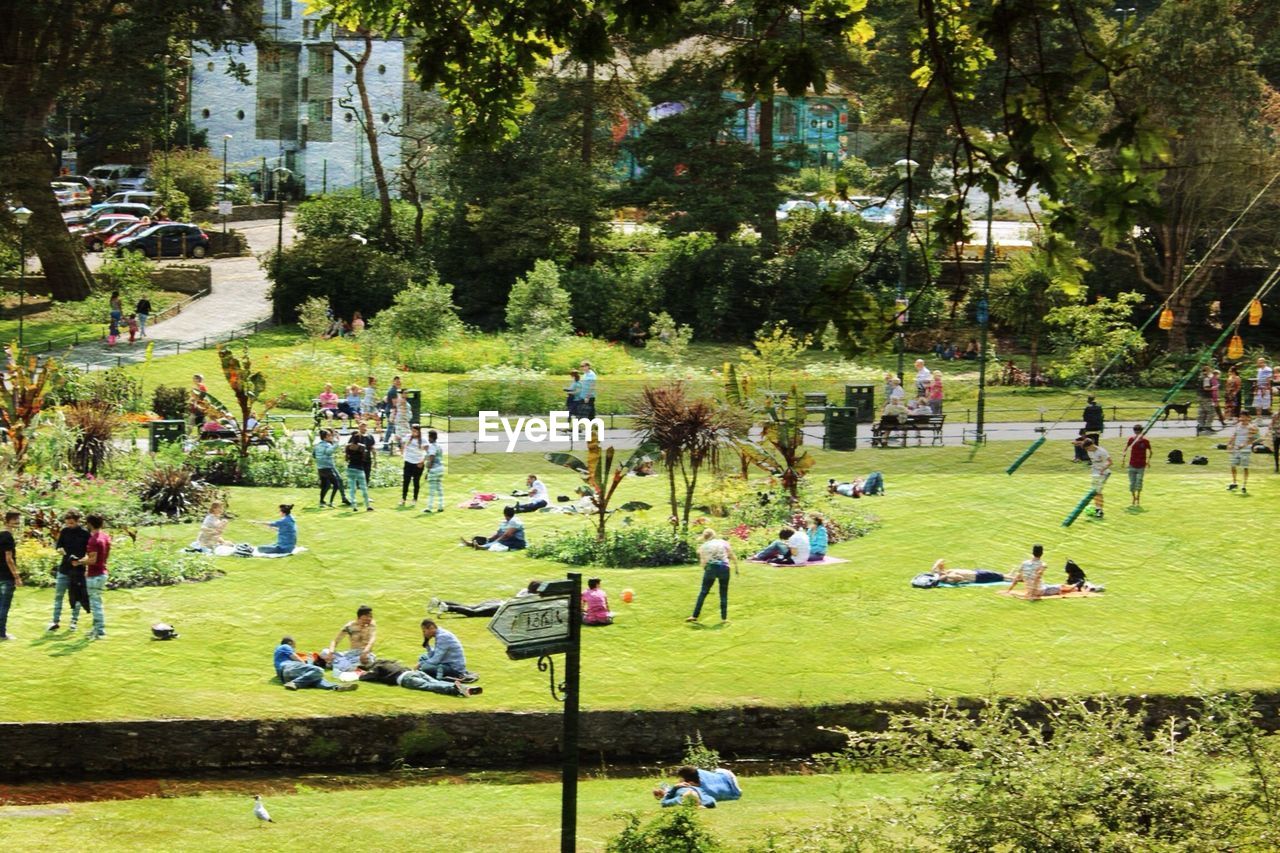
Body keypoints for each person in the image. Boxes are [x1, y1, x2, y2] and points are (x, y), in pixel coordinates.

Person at [49, 510, 91, 632]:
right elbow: (58, 546)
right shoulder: (64, 531)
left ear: (77, 521)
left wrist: (81, 561)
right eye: (67, 523)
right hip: (64, 569)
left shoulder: (85, 534)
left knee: (76, 597)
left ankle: (73, 622)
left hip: (78, 570)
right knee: (58, 596)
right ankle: (55, 621)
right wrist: (60, 550)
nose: (69, 525)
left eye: (71, 523)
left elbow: (90, 553)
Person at [273, 636, 357, 691]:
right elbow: (295, 657)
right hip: (288, 668)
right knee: (319, 671)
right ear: (290, 643)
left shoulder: (279, 656)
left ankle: (336, 687)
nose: (294, 648)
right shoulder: (285, 646)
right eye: (294, 646)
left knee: (315, 678)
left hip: (286, 676)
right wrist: (307, 665)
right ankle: (295, 683)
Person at [357, 659, 480, 696]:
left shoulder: (376, 668)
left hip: (405, 678)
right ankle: (465, 688)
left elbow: (368, 677)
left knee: (429, 686)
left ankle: (454, 689)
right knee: (435, 682)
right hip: (414, 672)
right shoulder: (385, 662)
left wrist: (360, 675)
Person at [690, 528, 738, 623]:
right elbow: (731, 554)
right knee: (723, 593)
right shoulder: (723, 542)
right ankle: (724, 618)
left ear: (705, 537)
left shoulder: (704, 546)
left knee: (703, 592)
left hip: (711, 568)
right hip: (724, 568)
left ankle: (694, 616)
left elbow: (701, 557)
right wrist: (736, 567)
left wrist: (705, 568)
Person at [75, 513, 110, 640]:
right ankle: (95, 629)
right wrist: (82, 560)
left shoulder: (93, 540)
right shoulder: (105, 537)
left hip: (95, 575)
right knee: (96, 602)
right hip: (102, 572)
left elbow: (93, 560)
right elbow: (96, 558)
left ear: (89, 524)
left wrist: (78, 562)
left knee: (96, 605)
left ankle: (100, 632)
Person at [431, 580, 542, 618]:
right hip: (500, 608)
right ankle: (448, 608)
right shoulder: (532, 597)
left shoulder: (524, 590)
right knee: (473, 613)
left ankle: (439, 602)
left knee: (471, 606)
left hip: (498, 602)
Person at [654, 765, 742, 808]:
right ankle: (665, 791)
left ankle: (665, 792)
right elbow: (712, 802)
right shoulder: (699, 773)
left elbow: (664, 803)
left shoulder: (704, 793)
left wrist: (674, 788)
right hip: (726, 774)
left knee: (678, 788)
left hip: (733, 789)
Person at [323, 605, 377, 673]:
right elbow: (335, 641)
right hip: (351, 654)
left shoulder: (372, 625)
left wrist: (365, 652)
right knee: (325, 652)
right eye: (367, 616)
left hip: (365, 654)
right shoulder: (350, 626)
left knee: (368, 660)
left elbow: (372, 640)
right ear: (360, 617)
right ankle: (345, 665)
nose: (370, 618)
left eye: (371, 616)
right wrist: (330, 653)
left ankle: (337, 664)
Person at [1076, 437, 1111, 519]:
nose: (1088, 450)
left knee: (1098, 492)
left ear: (1092, 445)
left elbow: (1110, 462)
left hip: (1103, 473)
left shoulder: (1102, 452)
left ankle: (1100, 511)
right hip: (1095, 473)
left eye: (1088, 448)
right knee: (1095, 492)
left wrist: (1103, 469)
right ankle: (1098, 509)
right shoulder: (1089, 449)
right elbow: (1082, 442)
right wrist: (1076, 442)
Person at [313, 429, 348, 508]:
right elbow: (329, 452)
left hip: (320, 468)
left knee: (324, 485)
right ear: (325, 437)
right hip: (328, 467)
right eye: (329, 435)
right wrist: (337, 443)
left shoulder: (317, 445)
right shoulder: (327, 445)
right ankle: (331, 502)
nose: (331, 437)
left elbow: (314, 455)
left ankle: (321, 502)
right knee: (336, 484)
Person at [1226, 412, 1258, 494]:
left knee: (1245, 467)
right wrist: (1229, 443)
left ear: (1248, 417)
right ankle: (1234, 482)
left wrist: (1244, 445)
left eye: (1244, 417)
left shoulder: (1252, 427)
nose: (1242, 418)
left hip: (1245, 450)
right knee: (1232, 465)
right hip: (1236, 448)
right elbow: (1234, 435)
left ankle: (1244, 485)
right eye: (1241, 417)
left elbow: (1254, 438)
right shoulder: (1238, 425)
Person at [0, 512, 21, 640]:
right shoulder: (8, 537)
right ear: (8, 521)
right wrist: (16, 576)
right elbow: (9, 559)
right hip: (6, 576)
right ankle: (2, 633)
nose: (17, 522)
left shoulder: (1, 535)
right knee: (4, 606)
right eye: (15, 520)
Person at [1122, 425, 1151, 507]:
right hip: (1132, 464)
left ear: (1141, 432)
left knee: (1139, 482)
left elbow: (1150, 451)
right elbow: (1126, 448)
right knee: (1132, 483)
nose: (1137, 433)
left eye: (1138, 432)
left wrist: (1148, 461)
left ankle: (1138, 497)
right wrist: (1123, 457)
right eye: (1136, 432)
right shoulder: (1131, 440)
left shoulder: (1145, 441)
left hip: (1141, 465)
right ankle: (1133, 498)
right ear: (1134, 432)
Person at [399, 424, 426, 506]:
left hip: (418, 463)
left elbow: (428, 452)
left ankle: (415, 499)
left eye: (415, 431)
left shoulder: (423, 440)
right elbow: (402, 443)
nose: (413, 433)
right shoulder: (408, 437)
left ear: (419, 431)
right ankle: (403, 498)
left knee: (416, 482)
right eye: (412, 431)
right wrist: (402, 451)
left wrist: (422, 461)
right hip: (408, 462)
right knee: (406, 481)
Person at [345, 434, 373, 510]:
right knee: (364, 488)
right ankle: (368, 505)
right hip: (359, 469)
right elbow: (364, 457)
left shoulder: (348, 446)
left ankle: (354, 505)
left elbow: (346, 458)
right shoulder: (362, 447)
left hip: (350, 468)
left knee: (352, 488)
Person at [930, 559, 1009, 584]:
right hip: (979, 577)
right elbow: (960, 578)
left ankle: (1015, 578)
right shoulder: (948, 579)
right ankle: (1017, 578)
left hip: (977, 572)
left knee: (1002, 576)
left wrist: (934, 567)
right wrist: (946, 575)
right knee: (1002, 577)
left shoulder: (947, 572)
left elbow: (941, 560)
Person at [423, 429, 446, 513]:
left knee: (432, 490)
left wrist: (428, 471)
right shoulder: (439, 446)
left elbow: (431, 458)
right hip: (441, 468)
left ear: (431, 437)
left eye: (428, 436)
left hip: (434, 469)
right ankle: (441, 506)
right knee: (439, 489)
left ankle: (429, 507)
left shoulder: (432, 446)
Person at [382, 376, 403, 446]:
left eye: (399, 381)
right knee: (390, 427)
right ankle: (385, 444)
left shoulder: (393, 390)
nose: (399, 383)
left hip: (390, 410)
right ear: (394, 382)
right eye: (397, 381)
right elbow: (395, 403)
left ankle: (399, 443)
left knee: (395, 428)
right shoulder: (393, 391)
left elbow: (386, 399)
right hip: (392, 411)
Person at [1196, 366, 1215, 435]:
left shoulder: (1200, 378)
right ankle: (1208, 426)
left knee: (1202, 412)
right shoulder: (1206, 378)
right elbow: (1206, 388)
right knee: (1211, 412)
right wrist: (1213, 387)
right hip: (1206, 397)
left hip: (1199, 396)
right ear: (1207, 371)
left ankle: (1200, 426)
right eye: (1209, 370)